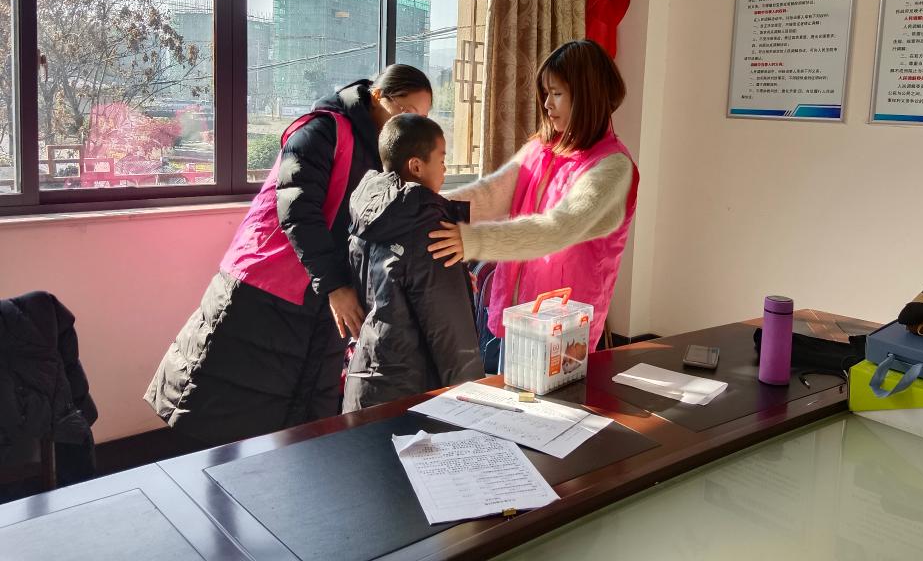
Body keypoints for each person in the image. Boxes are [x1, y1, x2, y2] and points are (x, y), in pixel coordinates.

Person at [145, 66, 432, 445]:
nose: (410, 123)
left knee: (303, 419)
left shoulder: (384, 154)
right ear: (378, 96)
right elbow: (297, 210)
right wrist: (335, 286)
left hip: (323, 296)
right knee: (224, 411)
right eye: (406, 111)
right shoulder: (324, 128)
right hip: (267, 285)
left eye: (420, 118)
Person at [429, 39, 638, 356]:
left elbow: (557, 230)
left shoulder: (612, 167)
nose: (547, 104)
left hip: (563, 327)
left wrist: (470, 241)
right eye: (546, 93)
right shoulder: (542, 149)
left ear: (587, 96)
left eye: (557, 93)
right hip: (515, 312)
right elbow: (491, 194)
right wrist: (426, 205)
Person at [342, 114, 483, 412]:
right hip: (413, 395)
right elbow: (452, 335)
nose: (445, 169)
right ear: (417, 166)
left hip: (365, 378)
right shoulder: (428, 226)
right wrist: (471, 404)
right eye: (441, 160)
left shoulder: (367, 210)